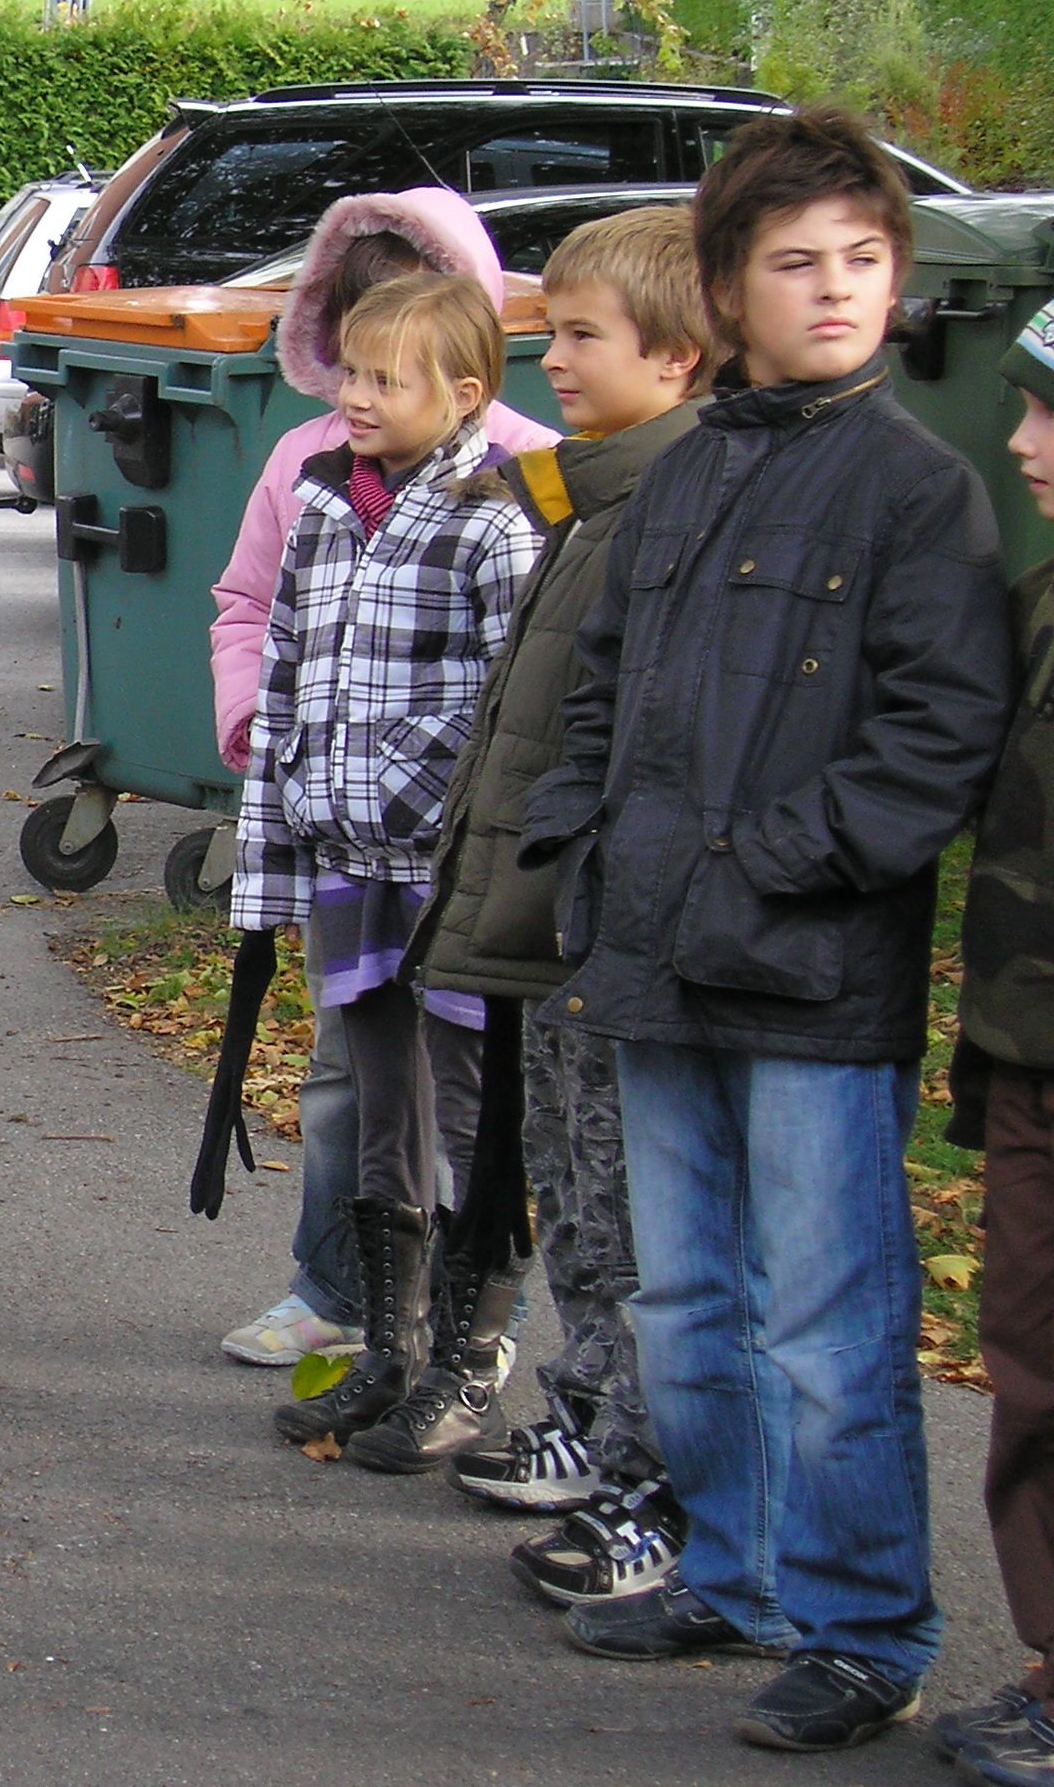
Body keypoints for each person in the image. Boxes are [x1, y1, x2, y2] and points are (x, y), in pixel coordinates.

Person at [523, 110, 1011, 1753]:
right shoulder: (686, 472)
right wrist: (587, 843)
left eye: (864, 260)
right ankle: (731, 1573)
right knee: (686, 1302)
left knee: (827, 1328)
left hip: (811, 970)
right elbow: (603, 687)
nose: (836, 289)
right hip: (653, 954)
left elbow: (939, 735)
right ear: (728, 292)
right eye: (796, 263)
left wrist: (776, 861)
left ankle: (866, 1629)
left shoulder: (917, 491)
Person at [411, 208, 708, 1583]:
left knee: (627, 1207)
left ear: (680, 353)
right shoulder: (590, 495)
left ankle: (645, 1458)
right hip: (554, 918)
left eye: (582, 336)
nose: (556, 362)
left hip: (605, 922)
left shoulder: (665, 506)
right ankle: (588, 1414)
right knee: (574, 1190)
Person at [211, 190, 555, 1369]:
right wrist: (261, 730)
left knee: (464, 1088)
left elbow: (525, 673)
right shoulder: (308, 470)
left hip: (448, 860)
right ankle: (348, 1300)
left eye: (386, 366)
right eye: (348, 353)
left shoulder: (519, 479)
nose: (357, 391)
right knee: (350, 1082)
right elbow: (253, 609)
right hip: (341, 846)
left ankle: (468, 1331)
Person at [929, 303, 1054, 1785]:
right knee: (1031, 1357)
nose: (1018, 440)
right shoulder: (1039, 603)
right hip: (1029, 1050)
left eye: (1048, 411)